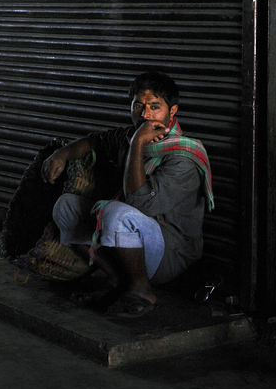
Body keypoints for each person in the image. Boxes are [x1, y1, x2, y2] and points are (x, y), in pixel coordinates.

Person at [40, 71, 214, 317]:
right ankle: (114, 280)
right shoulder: (128, 136)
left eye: (155, 107)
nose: (145, 115)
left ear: (172, 111)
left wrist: (137, 145)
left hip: (171, 254)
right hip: (128, 244)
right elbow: (95, 141)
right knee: (66, 206)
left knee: (116, 213)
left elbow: (138, 202)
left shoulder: (183, 156)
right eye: (138, 107)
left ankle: (141, 290)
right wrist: (62, 154)